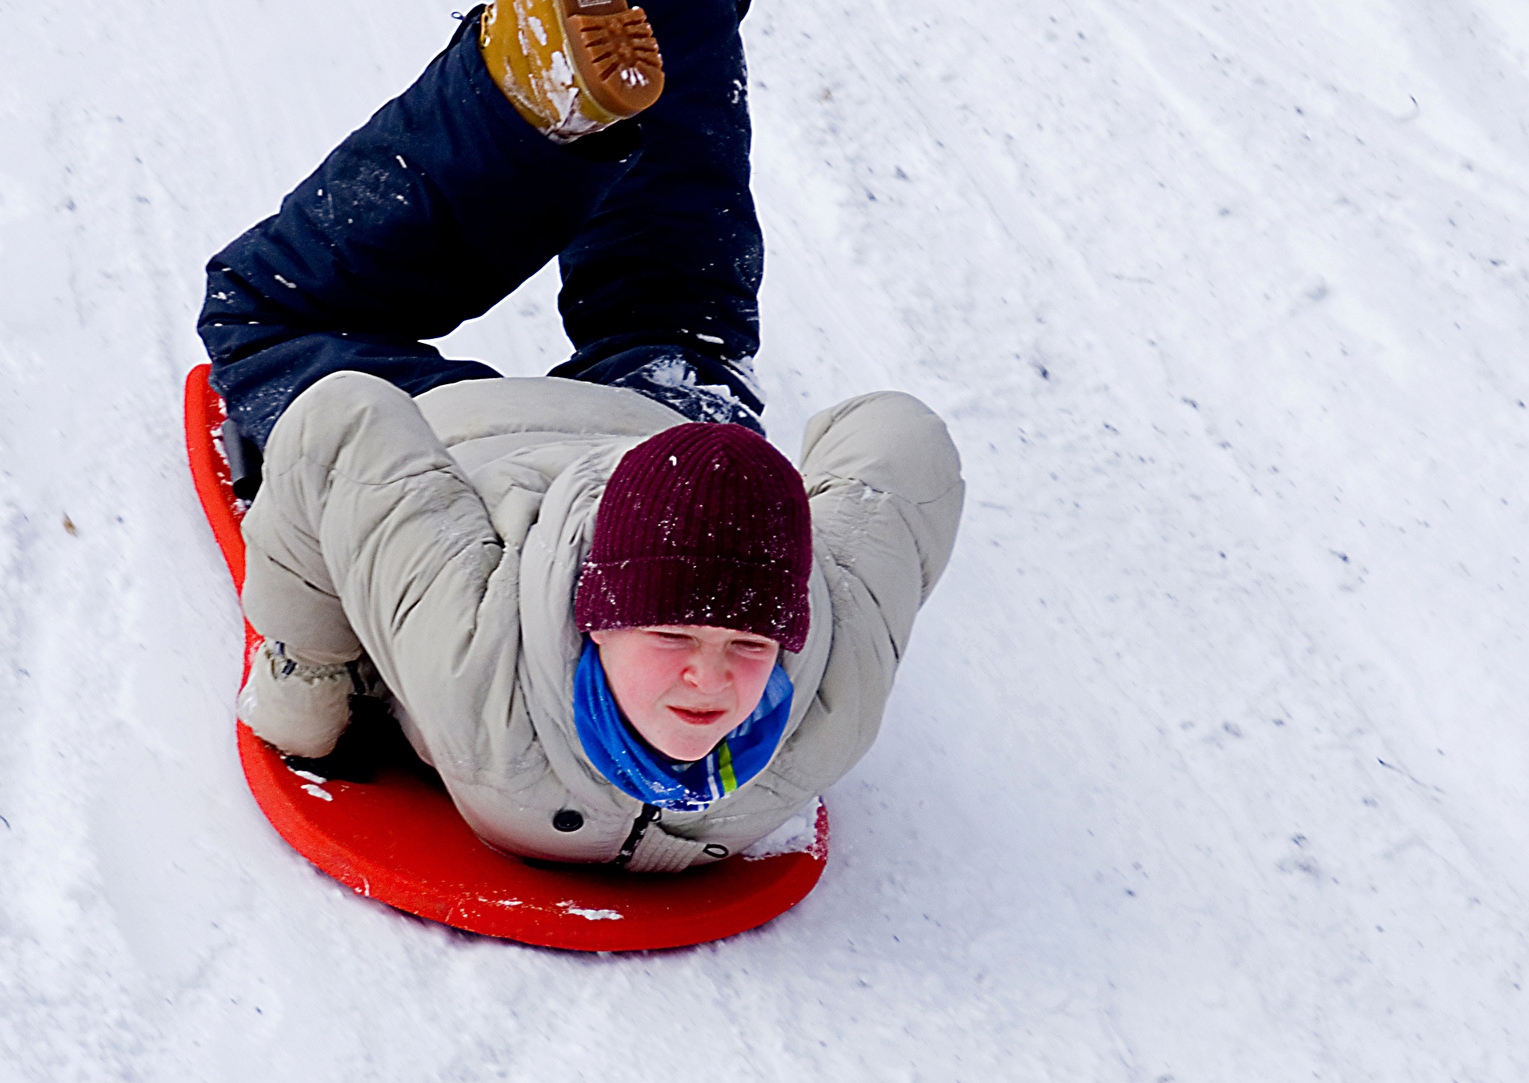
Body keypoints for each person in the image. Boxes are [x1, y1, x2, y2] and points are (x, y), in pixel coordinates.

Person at [199, 0, 963, 871]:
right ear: (592, 619)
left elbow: (899, 453)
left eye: (751, 644)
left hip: (615, 440)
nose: (710, 681)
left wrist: (309, 686)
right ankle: (632, 38)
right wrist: (310, 683)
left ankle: (536, 104)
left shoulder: (482, 667)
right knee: (271, 313)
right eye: (674, 638)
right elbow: (342, 429)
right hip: (563, 446)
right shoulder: (827, 707)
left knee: (676, 319)